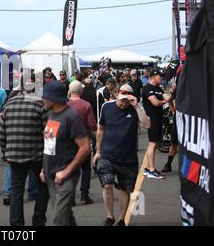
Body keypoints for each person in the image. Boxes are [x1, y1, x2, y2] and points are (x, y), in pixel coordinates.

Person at [93, 84, 151, 226]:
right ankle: (109, 216)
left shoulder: (135, 107)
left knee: (126, 189)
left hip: (128, 157)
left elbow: (147, 125)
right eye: (121, 99)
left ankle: (121, 219)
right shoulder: (106, 107)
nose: (123, 103)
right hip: (107, 154)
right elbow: (101, 129)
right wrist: (98, 151)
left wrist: (136, 106)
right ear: (117, 95)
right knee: (107, 185)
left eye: (126, 100)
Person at [0, 76, 49, 226]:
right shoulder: (40, 104)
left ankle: (16, 224)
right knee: (43, 187)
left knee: (16, 191)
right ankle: (38, 221)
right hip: (37, 155)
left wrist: (6, 152)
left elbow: (2, 134)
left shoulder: (8, 105)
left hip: (14, 156)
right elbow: (47, 133)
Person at [40, 81, 91, 226]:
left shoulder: (71, 116)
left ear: (54, 98)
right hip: (51, 174)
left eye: (45, 97)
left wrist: (66, 172)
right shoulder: (50, 114)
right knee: (65, 215)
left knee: (58, 220)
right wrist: (44, 168)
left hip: (65, 177)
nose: (43, 100)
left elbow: (85, 147)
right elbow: (49, 143)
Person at [67, 81, 97, 205]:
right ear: (81, 91)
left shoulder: (65, 105)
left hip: (68, 142)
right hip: (83, 141)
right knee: (85, 169)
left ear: (69, 90)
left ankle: (71, 197)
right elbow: (92, 125)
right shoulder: (86, 105)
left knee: (72, 169)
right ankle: (84, 195)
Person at [142, 69, 171, 179]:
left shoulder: (158, 88)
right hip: (152, 119)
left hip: (158, 119)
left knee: (155, 144)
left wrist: (173, 94)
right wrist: (166, 101)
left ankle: (150, 168)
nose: (161, 78)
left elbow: (167, 97)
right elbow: (156, 103)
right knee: (152, 144)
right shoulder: (147, 88)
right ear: (154, 76)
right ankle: (151, 169)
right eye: (160, 76)